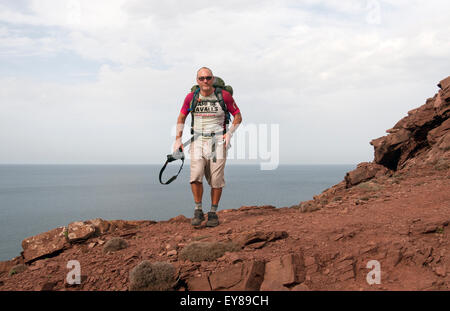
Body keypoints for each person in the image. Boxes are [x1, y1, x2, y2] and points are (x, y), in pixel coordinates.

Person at [174, 67, 242, 227]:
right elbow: (182, 116)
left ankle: (213, 212)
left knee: (216, 180)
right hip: (197, 141)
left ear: (213, 79)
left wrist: (230, 133)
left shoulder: (223, 96)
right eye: (202, 78)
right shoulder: (191, 97)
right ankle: (198, 209)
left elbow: (238, 116)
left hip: (218, 142)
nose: (205, 81)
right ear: (197, 81)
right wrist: (178, 139)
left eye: (208, 78)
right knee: (195, 176)